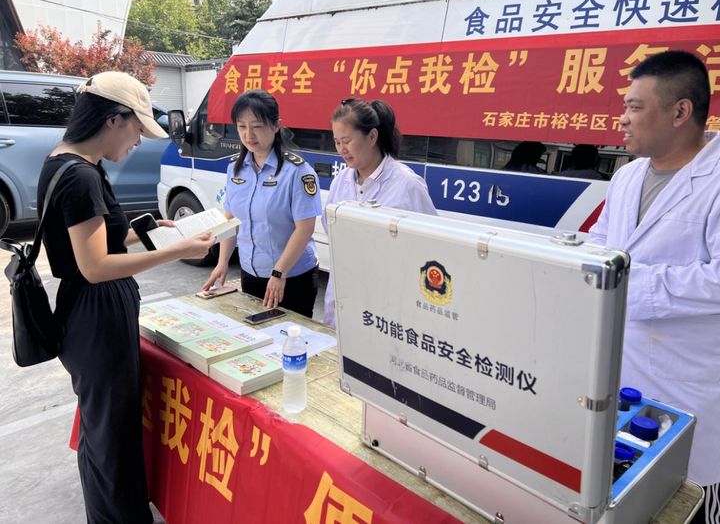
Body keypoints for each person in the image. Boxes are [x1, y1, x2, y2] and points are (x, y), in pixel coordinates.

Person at [37, 72, 215, 523]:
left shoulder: (71, 162)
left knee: (104, 433)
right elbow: (94, 267)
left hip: (88, 312)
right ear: (114, 120)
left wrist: (145, 232)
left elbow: (100, 243)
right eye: (137, 129)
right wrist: (175, 252)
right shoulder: (80, 176)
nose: (139, 142)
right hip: (96, 315)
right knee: (112, 438)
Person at [587, 50, 720, 524]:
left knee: (689, 506)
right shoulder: (628, 175)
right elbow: (603, 244)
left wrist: (632, 285)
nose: (623, 119)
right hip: (622, 368)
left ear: (681, 111)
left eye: (636, 107)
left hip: (687, 384)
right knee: (626, 492)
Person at [203, 90, 321, 317]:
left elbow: (305, 228)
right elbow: (231, 219)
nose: (249, 135)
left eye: (257, 126)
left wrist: (279, 273)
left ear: (276, 125)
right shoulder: (235, 169)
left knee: (291, 339)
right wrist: (222, 261)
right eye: (241, 126)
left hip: (292, 277)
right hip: (251, 273)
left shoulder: (297, 171)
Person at [323, 98, 437, 327]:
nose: (341, 150)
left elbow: (431, 246)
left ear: (372, 137)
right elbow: (330, 230)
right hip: (343, 296)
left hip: (387, 303)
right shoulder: (341, 182)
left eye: (347, 141)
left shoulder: (407, 185)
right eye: (336, 142)